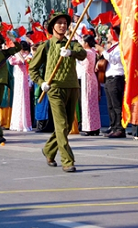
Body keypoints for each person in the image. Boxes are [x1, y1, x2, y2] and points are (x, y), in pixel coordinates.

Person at [29, 10, 87, 173]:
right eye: (59, 23)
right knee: (61, 124)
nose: (62, 26)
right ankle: (67, 160)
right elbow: (32, 69)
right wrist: (41, 83)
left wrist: (71, 53)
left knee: (67, 126)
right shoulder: (46, 46)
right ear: (52, 26)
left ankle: (48, 150)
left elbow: (83, 55)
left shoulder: (72, 43)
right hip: (54, 88)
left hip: (72, 87)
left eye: (65, 23)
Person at [95, 25, 125, 138]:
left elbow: (115, 60)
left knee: (116, 105)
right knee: (110, 105)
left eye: (108, 33)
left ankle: (120, 129)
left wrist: (103, 51)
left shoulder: (120, 47)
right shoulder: (111, 47)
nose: (107, 35)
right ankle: (113, 127)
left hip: (116, 77)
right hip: (108, 77)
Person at [76, 36, 101, 136]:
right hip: (91, 77)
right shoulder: (93, 51)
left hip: (87, 77)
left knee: (87, 103)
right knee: (92, 104)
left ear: (86, 43)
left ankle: (89, 128)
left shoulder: (88, 52)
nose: (81, 42)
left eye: (83, 41)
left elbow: (78, 54)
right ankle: (95, 127)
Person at [9, 41, 33, 132]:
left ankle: (23, 124)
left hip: (24, 80)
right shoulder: (20, 56)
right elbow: (12, 61)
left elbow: (15, 61)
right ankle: (17, 122)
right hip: (18, 80)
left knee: (23, 101)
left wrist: (16, 53)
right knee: (18, 100)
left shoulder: (28, 57)